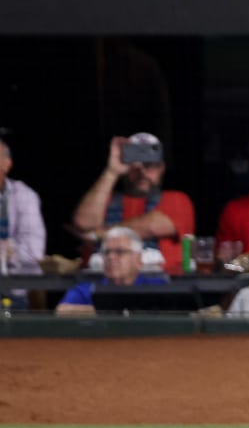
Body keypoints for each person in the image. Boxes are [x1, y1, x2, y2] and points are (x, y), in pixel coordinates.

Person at [71, 132, 196, 274]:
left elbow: (152, 226)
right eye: (134, 166)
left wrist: (99, 233)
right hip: (103, 285)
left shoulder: (176, 199)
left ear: (161, 168)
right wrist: (112, 171)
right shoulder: (105, 198)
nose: (142, 172)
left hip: (162, 288)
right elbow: (83, 224)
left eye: (149, 165)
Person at [56, 226, 169, 314]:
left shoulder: (158, 287)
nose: (111, 257)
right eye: (106, 252)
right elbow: (62, 311)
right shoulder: (86, 289)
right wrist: (112, 310)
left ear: (138, 259)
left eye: (120, 252)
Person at [0, 137, 46, 277]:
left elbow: (33, 253)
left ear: (7, 165)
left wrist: (9, 252)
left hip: (13, 291)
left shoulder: (24, 196)